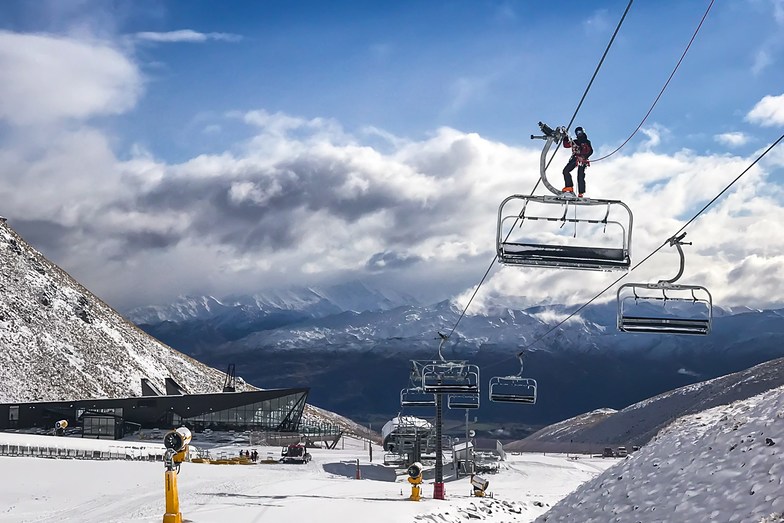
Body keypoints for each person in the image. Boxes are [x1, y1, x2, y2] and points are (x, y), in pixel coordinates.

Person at [562, 126, 593, 198]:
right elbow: (566, 145)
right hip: (575, 158)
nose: (579, 134)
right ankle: (569, 187)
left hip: (583, 160)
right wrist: (565, 137)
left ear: (583, 132)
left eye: (580, 132)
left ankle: (581, 192)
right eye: (577, 133)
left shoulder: (587, 142)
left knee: (580, 175)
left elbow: (590, 151)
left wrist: (584, 157)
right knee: (565, 171)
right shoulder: (575, 142)